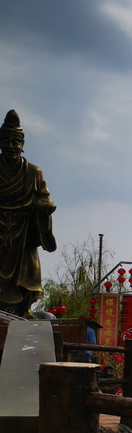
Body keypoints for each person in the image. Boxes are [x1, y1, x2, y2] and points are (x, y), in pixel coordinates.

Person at [0, 110, 56, 317]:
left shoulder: (34, 171)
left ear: (22, 144)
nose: (11, 146)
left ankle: (24, 309)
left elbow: (44, 196)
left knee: (28, 270)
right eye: (6, 141)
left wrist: (44, 206)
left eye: (16, 142)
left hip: (24, 230)